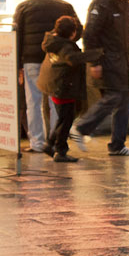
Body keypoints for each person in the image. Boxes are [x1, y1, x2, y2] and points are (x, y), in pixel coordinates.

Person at [12, 0, 78, 154]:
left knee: (32, 101)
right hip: (57, 60)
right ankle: (56, 140)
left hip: (31, 60)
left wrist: (17, 64)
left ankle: (37, 143)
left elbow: (16, 36)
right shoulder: (64, 6)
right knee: (55, 101)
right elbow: (78, 30)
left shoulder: (23, 7)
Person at [77, 0, 129, 157]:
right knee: (113, 97)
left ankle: (118, 145)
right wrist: (94, 62)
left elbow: (127, 35)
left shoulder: (125, 3)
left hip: (122, 60)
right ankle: (81, 128)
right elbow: (90, 34)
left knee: (123, 101)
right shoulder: (101, 2)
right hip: (108, 60)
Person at [40, 16, 101, 162]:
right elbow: (72, 59)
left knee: (62, 119)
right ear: (73, 33)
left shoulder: (52, 41)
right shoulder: (65, 46)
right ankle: (60, 151)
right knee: (66, 120)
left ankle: (49, 145)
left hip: (54, 85)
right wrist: (96, 53)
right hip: (64, 87)